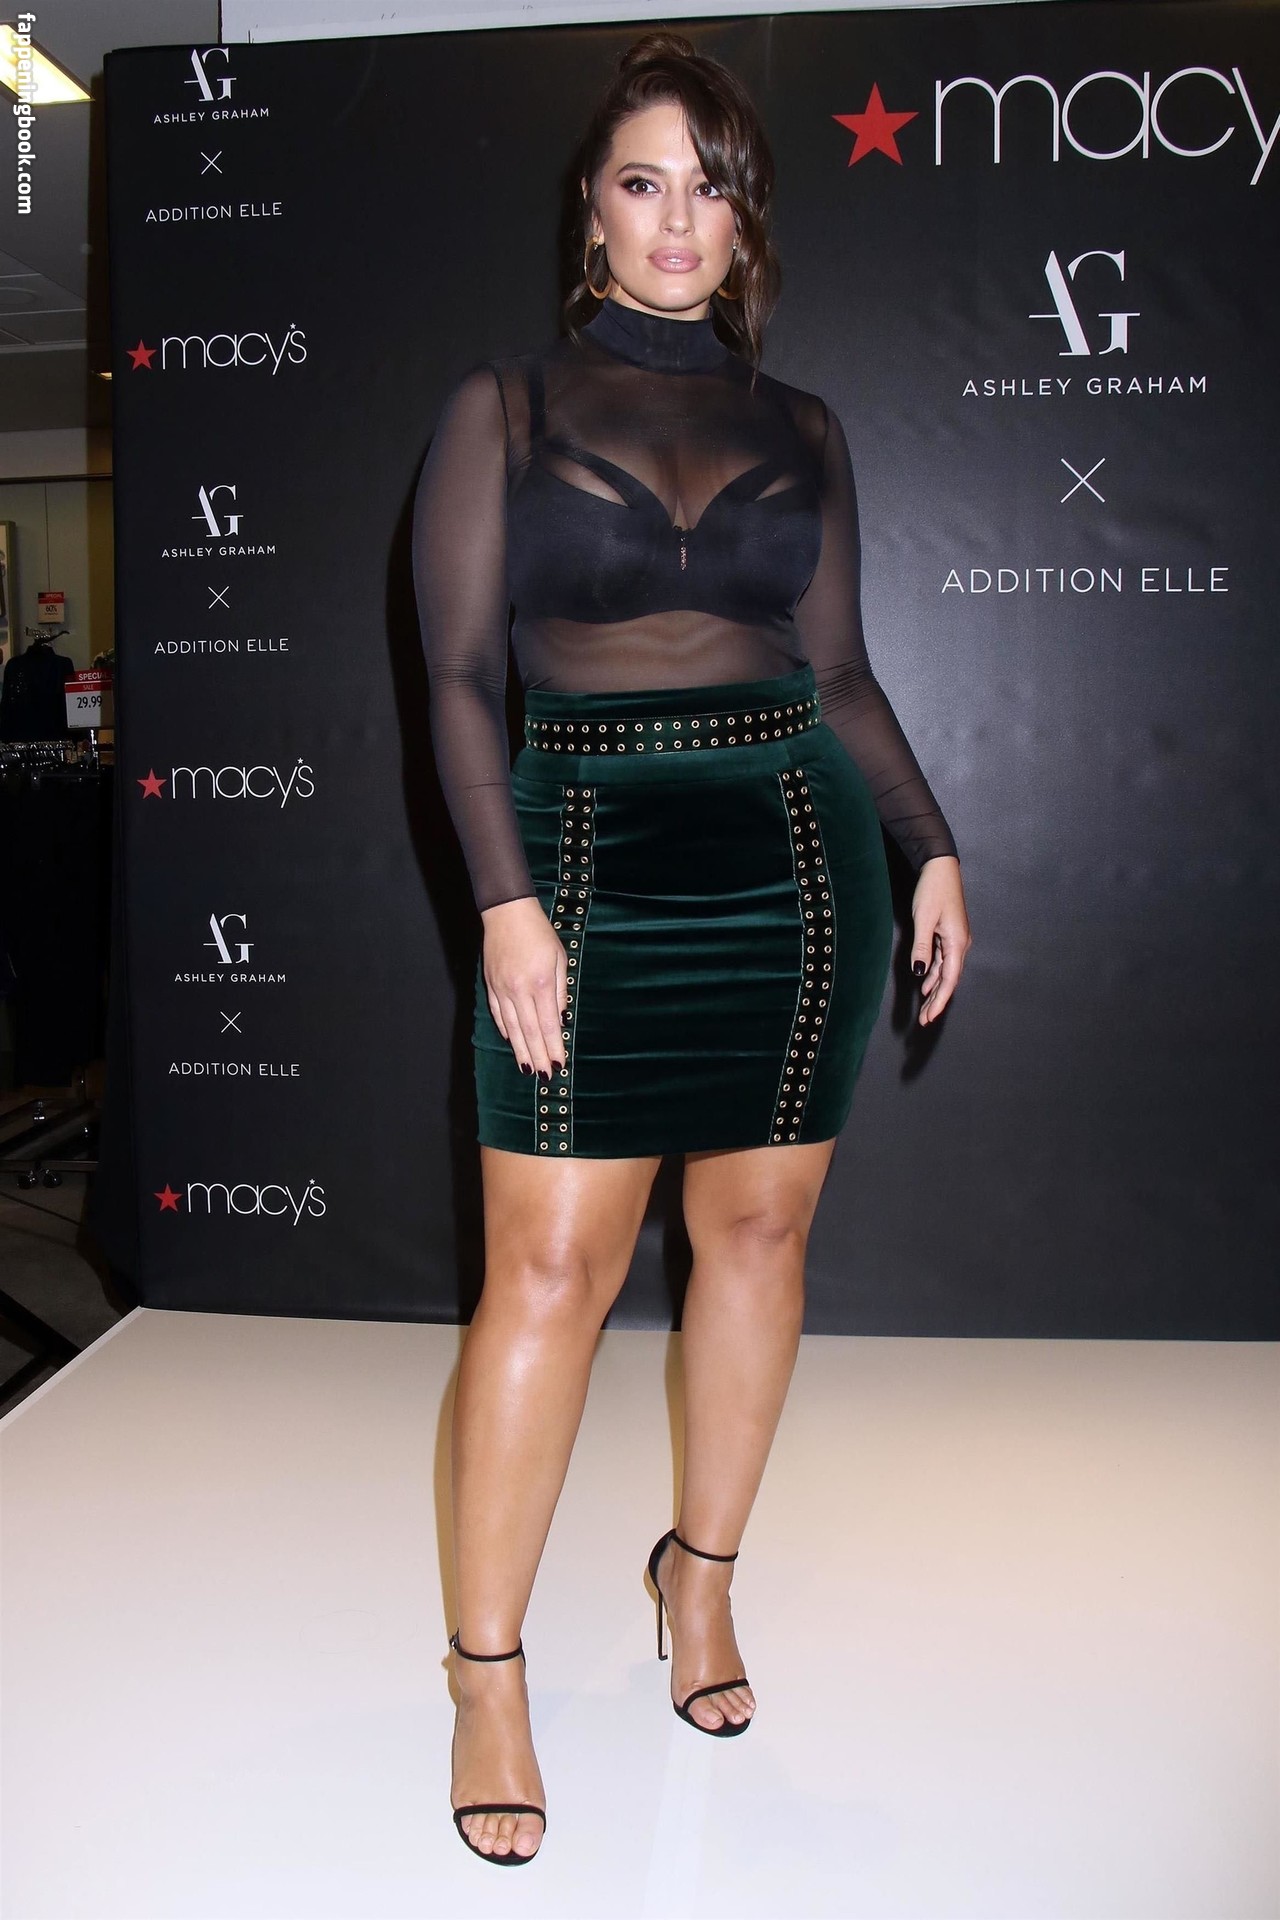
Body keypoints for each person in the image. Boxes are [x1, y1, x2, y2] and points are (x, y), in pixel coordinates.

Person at [411, 29, 971, 1865]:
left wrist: (931, 846)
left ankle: (700, 1574)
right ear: (593, 209)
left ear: (745, 222)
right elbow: (457, 679)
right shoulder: (501, 407)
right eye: (644, 181)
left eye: (710, 187)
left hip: (795, 856)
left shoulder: (804, 428)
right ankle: (487, 1672)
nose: (677, 218)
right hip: (575, 854)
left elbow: (846, 674)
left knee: (760, 1237)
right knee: (546, 1273)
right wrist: (505, 899)